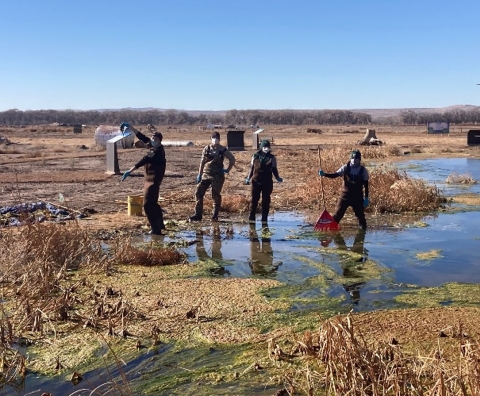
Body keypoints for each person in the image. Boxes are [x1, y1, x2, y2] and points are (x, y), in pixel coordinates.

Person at [120, 122, 166, 235]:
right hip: (151, 180)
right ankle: (160, 224)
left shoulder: (157, 152)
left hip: (153, 181)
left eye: (155, 139)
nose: (152, 140)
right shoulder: (156, 146)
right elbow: (142, 136)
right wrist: (130, 127)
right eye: (152, 138)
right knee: (154, 202)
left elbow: (143, 160)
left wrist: (129, 171)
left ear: (159, 140)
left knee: (147, 204)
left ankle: (156, 230)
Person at [189, 131, 235, 222]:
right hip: (206, 174)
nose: (215, 140)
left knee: (215, 195)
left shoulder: (222, 150)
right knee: (198, 192)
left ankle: (215, 215)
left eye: (216, 138)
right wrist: (199, 174)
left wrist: (227, 169)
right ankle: (198, 214)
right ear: (211, 139)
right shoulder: (206, 149)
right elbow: (202, 162)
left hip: (218, 175)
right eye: (213, 138)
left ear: (219, 139)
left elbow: (232, 159)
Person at [318, 149, 369, 229]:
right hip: (345, 196)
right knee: (338, 214)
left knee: (361, 218)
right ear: (350, 158)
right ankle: (331, 229)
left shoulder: (363, 171)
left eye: (356, 158)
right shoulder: (345, 167)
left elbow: (366, 185)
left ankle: (362, 236)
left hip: (357, 197)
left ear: (360, 159)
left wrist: (366, 198)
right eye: (353, 158)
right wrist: (324, 174)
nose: (354, 160)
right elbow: (335, 175)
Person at [245, 140, 283, 224]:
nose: (266, 148)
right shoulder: (255, 156)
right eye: (264, 147)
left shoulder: (272, 157)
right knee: (254, 199)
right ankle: (251, 218)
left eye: (268, 147)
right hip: (256, 181)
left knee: (266, 200)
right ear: (261, 147)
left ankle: (264, 218)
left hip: (267, 182)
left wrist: (277, 177)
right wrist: (248, 178)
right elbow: (252, 168)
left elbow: (274, 169)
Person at [332, 229, 368, 305]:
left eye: (355, 296)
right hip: (356, 262)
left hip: (348, 263)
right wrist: (365, 257)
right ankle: (336, 233)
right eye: (357, 295)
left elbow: (343, 275)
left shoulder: (346, 286)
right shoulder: (361, 285)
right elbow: (363, 272)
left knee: (341, 246)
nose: (355, 294)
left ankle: (335, 233)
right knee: (358, 243)